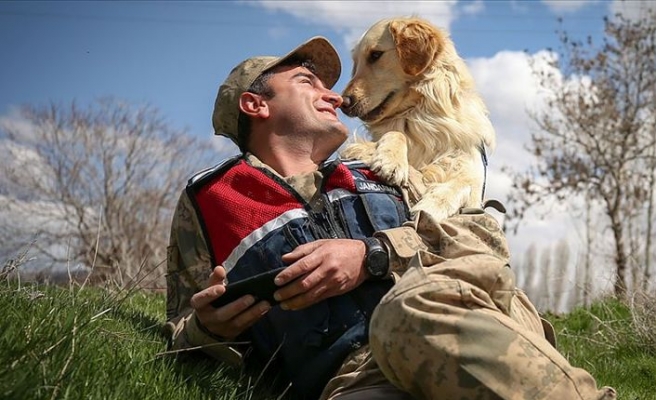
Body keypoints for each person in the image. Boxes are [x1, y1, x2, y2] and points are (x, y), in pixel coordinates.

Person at [163, 36, 616, 400]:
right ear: (255, 105)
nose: (336, 95)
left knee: (406, 313)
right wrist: (208, 329)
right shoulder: (208, 200)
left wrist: (374, 253)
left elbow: (484, 243)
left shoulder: (383, 168)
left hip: (459, 323)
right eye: (307, 81)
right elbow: (181, 329)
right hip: (353, 379)